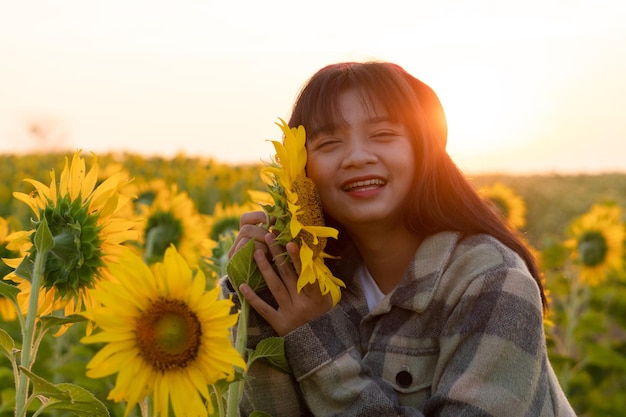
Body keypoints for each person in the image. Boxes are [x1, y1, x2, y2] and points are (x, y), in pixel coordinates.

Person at [222, 61, 576, 416]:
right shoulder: (303, 281)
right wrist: (253, 295)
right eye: (329, 142)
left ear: (422, 151)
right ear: (302, 170)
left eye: (383, 135)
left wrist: (315, 340)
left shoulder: (491, 280)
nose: (357, 157)